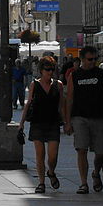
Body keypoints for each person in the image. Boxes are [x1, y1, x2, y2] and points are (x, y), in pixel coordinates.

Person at [65, 45, 103, 194]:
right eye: (90, 59)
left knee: (101, 152)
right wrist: (67, 121)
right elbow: (69, 99)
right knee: (81, 150)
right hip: (80, 117)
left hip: (98, 117)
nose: (93, 62)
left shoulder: (101, 73)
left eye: (95, 59)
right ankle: (83, 183)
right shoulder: (74, 75)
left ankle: (96, 172)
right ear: (82, 59)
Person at [19, 57, 64, 193]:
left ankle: (51, 171)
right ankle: (41, 182)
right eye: (47, 69)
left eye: (52, 69)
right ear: (41, 70)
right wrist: (21, 124)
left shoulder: (59, 85)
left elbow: (62, 105)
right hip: (37, 123)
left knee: (53, 156)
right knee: (40, 155)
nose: (50, 72)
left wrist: (67, 122)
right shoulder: (34, 84)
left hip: (53, 123)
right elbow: (28, 104)